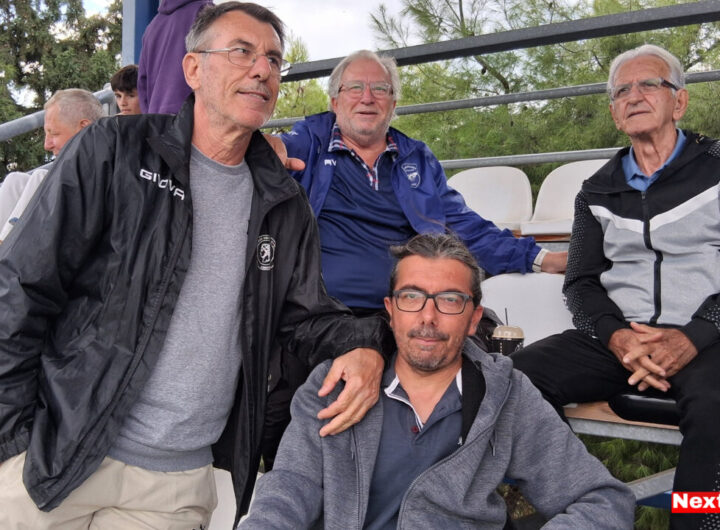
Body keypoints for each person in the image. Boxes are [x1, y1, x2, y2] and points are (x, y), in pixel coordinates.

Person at [0, 3, 389, 529]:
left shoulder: (282, 201)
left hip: (173, 484)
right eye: (242, 52)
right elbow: (22, 284)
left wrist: (365, 343)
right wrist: (11, 438)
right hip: (56, 452)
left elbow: (306, 317)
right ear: (193, 69)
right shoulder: (113, 151)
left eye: (274, 60)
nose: (262, 70)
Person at [239, 233, 635, 529]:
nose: (428, 318)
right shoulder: (333, 385)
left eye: (449, 300)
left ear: (474, 318)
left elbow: (603, 499)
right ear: (390, 311)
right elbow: (290, 489)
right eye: (412, 298)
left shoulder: (507, 395)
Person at [511, 44, 720, 530]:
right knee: (514, 378)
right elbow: (580, 282)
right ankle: (583, 507)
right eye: (622, 90)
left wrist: (693, 336)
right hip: (620, 340)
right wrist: (618, 336)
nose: (634, 95)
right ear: (613, 112)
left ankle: (697, 521)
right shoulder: (597, 189)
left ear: (680, 101)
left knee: (716, 410)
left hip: (709, 337)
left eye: (649, 84)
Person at [279, 50, 567, 318]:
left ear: (393, 104)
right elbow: (264, 151)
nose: (367, 97)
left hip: (411, 312)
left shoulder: (416, 159)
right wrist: (264, 145)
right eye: (355, 87)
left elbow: (467, 227)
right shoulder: (309, 146)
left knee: (486, 335)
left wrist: (541, 258)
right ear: (334, 102)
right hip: (325, 314)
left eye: (380, 89)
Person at [0, 88, 103, 242]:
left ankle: (6, 248)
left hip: (82, 241)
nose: (46, 145)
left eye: (54, 133)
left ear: (84, 128)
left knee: (41, 177)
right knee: (15, 180)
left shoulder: (107, 157)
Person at [137, 0, 213, 114]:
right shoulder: (204, 11)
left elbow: (142, 84)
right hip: (192, 117)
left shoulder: (151, 27)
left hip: (156, 118)